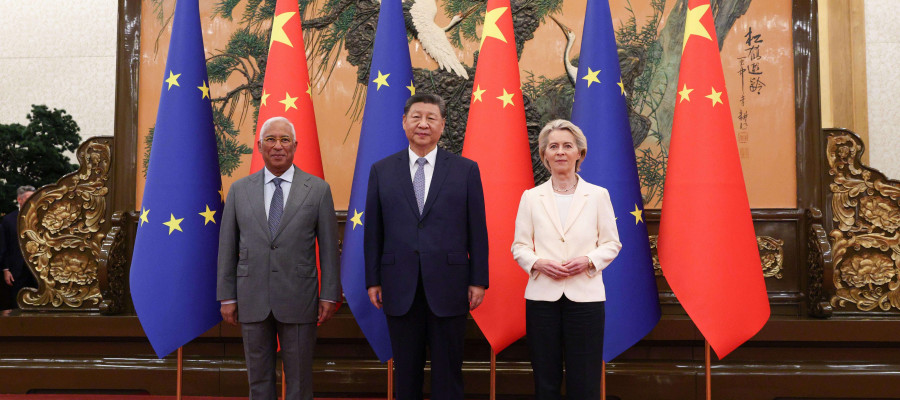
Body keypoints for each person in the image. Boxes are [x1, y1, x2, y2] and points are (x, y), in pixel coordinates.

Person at [364, 93, 489, 400]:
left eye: (431, 118)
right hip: (399, 284)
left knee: (449, 371)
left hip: (450, 284)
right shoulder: (382, 170)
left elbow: (478, 229)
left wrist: (478, 280)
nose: (423, 124)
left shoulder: (465, 170)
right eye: (416, 117)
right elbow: (373, 232)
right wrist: (373, 280)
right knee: (406, 372)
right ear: (404, 122)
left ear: (442, 125)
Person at [217, 116, 340, 400]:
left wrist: (330, 294)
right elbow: (227, 247)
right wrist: (227, 296)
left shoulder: (318, 190)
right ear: (259, 146)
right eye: (271, 140)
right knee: (258, 379)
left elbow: (330, 249)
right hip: (252, 296)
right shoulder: (239, 190)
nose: (278, 146)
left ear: (295, 145)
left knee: (299, 380)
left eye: (285, 140)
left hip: (300, 296)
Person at [511, 119, 622, 400]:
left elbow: (611, 243)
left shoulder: (598, 195)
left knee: (584, 380)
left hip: (586, 299)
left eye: (567, 146)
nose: (560, 151)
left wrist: (589, 260)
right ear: (545, 155)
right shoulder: (531, 197)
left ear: (579, 153)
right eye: (553, 146)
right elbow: (520, 246)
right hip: (542, 299)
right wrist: (537, 263)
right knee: (545, 378)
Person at [1, 185, 38, 310]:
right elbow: (4, 246)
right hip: (16, 269)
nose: (31, 201)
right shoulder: (8, 220)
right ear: (19, 200)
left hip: (37, 267)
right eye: (28, 198)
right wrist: (5, 269)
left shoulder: (41, 218)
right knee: (16, 302)